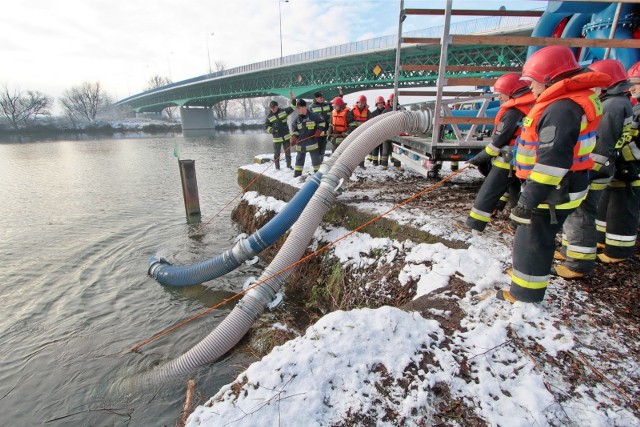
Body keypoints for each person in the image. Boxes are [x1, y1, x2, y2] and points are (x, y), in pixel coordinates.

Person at [498, 45, 610, 303]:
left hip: (553, 189)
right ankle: (528, 272)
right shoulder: (568, 102)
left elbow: (553, 162)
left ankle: (525, 293)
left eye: (534, 83)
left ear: (550, 79)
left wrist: (528, 200)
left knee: (533, 237)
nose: (532, 89)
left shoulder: (560, 109)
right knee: (540, 235)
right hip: (566, 183)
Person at [553, 59, 634, 278]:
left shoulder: (612, 106)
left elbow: (602, 144)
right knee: (580, 211)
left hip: (595, 167)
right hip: (601, 166)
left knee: (581, 211)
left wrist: (585, 173)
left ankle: (577, 263)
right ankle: (572, 250)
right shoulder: (619, 102)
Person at [465, 73, 536, 232]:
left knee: (489, 190)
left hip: (508, 158)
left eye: (501, 93)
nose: (500, 97)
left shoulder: (513, 111)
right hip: (524, 159)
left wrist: (480, 158)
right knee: (515, 190)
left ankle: (474, 224)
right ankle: (517, 226)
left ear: (511, 91)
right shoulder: (530, 105)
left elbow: (499, 141)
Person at [594, 60, 640, 264]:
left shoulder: (616, 105)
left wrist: (623, 158)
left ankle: (618, 252)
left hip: (632, 169)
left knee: (623, 210)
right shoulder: (630, 105)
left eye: (638, 82)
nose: (634, 87)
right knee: (609, 205)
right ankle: (604, 242)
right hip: (622, 165)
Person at [290, 98, 325, 178]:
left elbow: (322, 123)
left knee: (316, 162)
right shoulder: (297, 120)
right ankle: (297, 175)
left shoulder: (314, 116)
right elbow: (294, 130)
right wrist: (294, 137)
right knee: (299, 161)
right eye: (297, 108)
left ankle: (318, 176)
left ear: (304, 107)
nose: (297, 110)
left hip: (312, 144)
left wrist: (319, 131)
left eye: (299, 108)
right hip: (301, 145)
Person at [264, 100, 294, 170]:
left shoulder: (283, 111)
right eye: (271, 108)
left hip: (286, 137)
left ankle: (289, 166)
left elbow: (293, 107)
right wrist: (272, 130)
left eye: (274, 107)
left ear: (277, 106)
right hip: (276, 139)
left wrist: (293, 99)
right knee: (276, 154)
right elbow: (266, 126)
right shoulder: (269, 117)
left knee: (288, 153)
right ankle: (277, 168)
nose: (273, 109)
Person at [380, 93, 404, 169]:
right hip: (387, 133)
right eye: (391, 101)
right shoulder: (385, 111)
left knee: (396, 150)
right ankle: (384, 165)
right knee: (385, 150)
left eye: (394, 101)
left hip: (397, 133)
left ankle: (397, 165)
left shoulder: (401, 110)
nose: (392, 102)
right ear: (389, 101)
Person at [309, 91, 332, 158]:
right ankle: (317, 161)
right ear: (317, 99)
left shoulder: (326, 105)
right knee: (317, 147)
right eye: (321, 97)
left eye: (322, 97)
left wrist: (340, 95)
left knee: (323, 146)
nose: (322, 98)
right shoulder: (312, 107)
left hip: (325, 130)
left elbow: (336, 104)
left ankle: (320, 160)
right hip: (317, 131)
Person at [367, 96, 387, 166]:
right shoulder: (373, 114)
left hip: (384, 133)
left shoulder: (386, 112)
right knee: (375, 148)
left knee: (382, 148)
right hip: (375, 133)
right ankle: (375, 162)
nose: (380, 104)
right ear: (376, 104)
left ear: (383, 103)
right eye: (379, 103)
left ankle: (382, 162)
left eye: (381, 103)